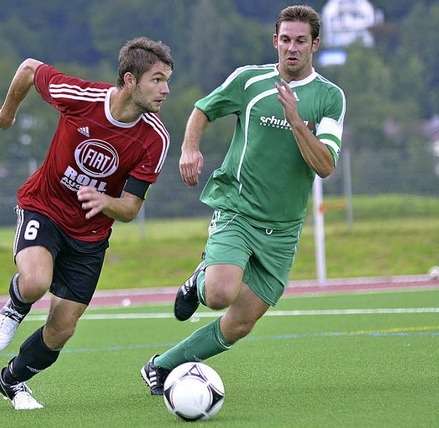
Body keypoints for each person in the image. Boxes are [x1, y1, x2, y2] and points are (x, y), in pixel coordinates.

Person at [141, 5, 346, 395]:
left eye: (301, 41)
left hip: (284, 228)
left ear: (315, 44)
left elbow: (326, 166)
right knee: (220, 294)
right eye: (285, 39)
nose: (292, 48)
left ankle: (162, 365)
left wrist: (297, 123)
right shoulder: (250, 80)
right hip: (238, 209)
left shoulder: (330, 98)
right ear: (275, 41)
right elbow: (203, 109)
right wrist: (189, 148)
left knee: (239, 323)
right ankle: (201, 281)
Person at [0, 37, 173, 410]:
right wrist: (7, 114)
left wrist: (107, 202)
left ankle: (12, 380)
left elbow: (131, 208)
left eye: (168, 80)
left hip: (91, 235)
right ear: (130, 80)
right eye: (156, 80)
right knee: (36, 281)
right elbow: (27, 68)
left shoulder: (155, 139)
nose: (165, 90)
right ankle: (15, 303)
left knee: (62, 329)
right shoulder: (81, 97)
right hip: (45, 207)